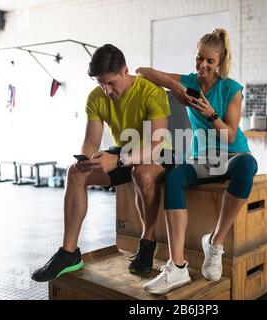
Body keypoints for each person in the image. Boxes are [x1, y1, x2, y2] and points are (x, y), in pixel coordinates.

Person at [32, 44, 172, 282]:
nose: (106, 90)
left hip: (156, 152)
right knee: (74, 173)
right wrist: (86, 161)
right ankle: (69, 253)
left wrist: (119, 159)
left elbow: (155, 145)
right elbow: (90, 141)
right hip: (122, 151)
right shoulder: (96, 97)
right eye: (100, 84)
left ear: (125, 71)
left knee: (142, 173)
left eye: (110, 83)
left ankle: (148, 241)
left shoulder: (151, 92)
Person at [136, 28, 258, 294]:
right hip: (202, 157)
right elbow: (142, 71)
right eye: (199, 58)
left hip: (232, 155)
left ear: (220, 62)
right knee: (174, 176)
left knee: (248, 166)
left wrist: (212, 115)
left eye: (209, 61)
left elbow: (230, 136)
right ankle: (177, 267)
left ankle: (214, 243)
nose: (203, 65)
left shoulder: (231, 89)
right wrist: (177, 88)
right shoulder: (190, 81)